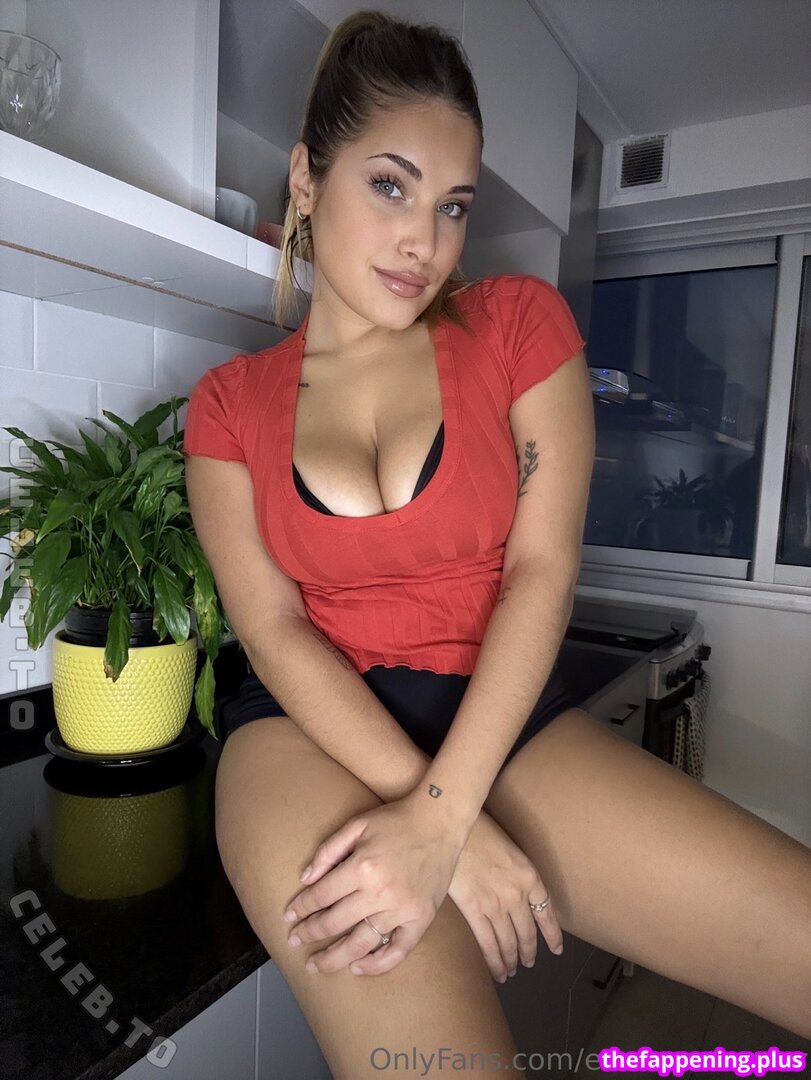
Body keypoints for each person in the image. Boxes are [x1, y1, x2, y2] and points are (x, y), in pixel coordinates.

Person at [182, 11, 811, 1074]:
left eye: (452, 205)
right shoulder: (227, 404)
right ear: (305, 179)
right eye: (390, 186)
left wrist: (442, 813)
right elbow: (275, 630)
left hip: (497, 717)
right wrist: (449, 830)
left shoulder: (517, 325)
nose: (424, 240)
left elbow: (539, 572)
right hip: (302, 732)